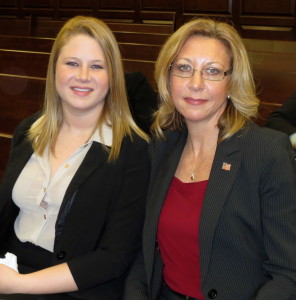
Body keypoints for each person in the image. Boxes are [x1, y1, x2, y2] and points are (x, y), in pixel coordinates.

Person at [124, 18, 296, 300]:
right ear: (168, 77)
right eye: (184, 68)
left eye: (213, 71)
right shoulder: (161, 147)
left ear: (232, 82)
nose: (195, 83)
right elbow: (144, 252)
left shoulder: (266, 152)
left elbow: (288, 273)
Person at [0, 15, 150, 300]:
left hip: (73, 289)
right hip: (10, 269)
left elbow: (114, 257)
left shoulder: (134, 152)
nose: (83, 76)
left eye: (96, 66)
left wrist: (17, 284)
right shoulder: (30, 131)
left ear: (113, 76)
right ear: (54, 69)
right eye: (72, 63)